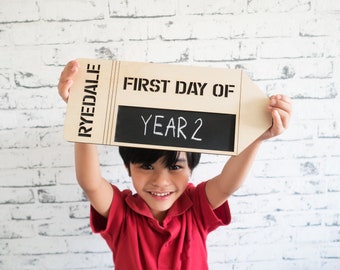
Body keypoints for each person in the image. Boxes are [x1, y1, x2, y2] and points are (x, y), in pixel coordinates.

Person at [58, 60, 292, 270]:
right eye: (147, 167)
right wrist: (81, 113)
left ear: (191, 169)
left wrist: (258, 137)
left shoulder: (197, 207)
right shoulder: (121, 213)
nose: (160, 181)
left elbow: (227, 185)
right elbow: (90, 184)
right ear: (128, 167)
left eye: (176, 167)